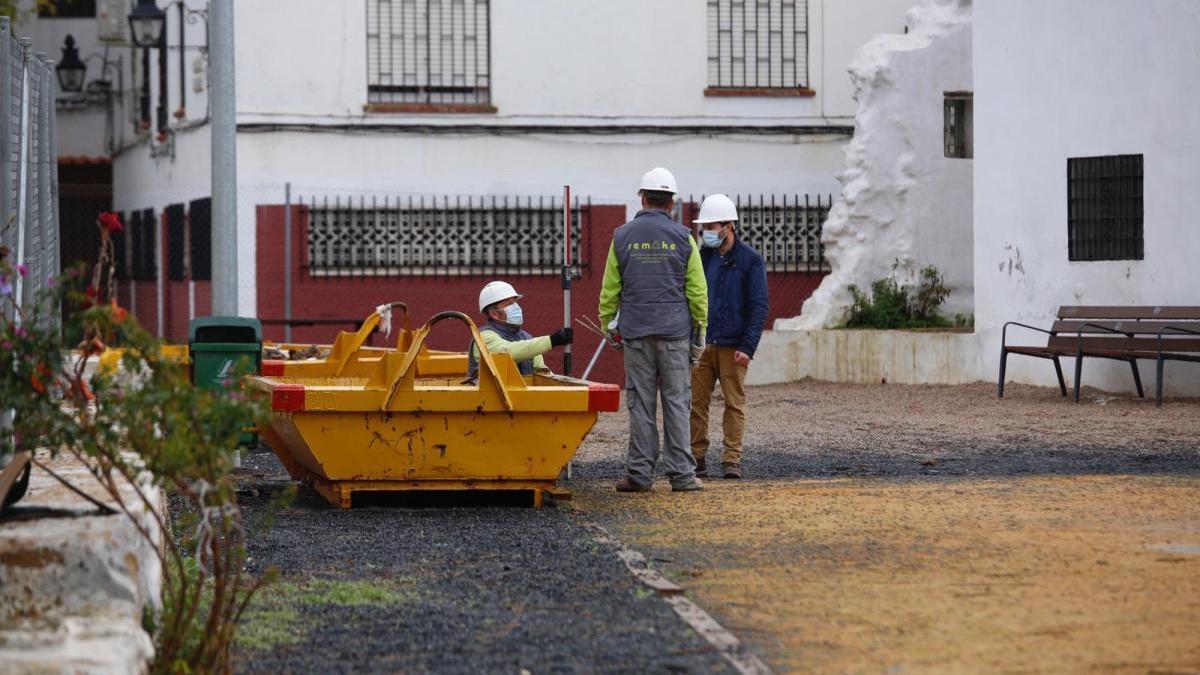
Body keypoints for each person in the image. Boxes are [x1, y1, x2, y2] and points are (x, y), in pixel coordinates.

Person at [599, 167, 709, 493]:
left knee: (641, 403)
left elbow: (609, 289)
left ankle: (639, 475)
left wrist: (609, 326)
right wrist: (700, 332)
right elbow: (697, 292)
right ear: (672, 202)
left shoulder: (621, 236)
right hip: (676, 334)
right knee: (677, 402)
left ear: (642, 197)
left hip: (635, 334)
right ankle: (683, 477)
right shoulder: (684, 238)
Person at [689, 194, 769, 479]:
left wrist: (748, 346)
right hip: (704, 343)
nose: (707, 233)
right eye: (705, 228)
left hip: (734, 345)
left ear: (728, 226)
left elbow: (759, 306)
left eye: (711, 226)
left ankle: (731, 459)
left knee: (734, 403)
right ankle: (696, 457)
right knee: (697, 403)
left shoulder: (751, 261)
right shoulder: (702, 257)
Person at [466, 281, 573, 381]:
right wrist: (552, 341)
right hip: (487, 399)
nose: (516, 307)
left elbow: (542, 372)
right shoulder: (483, 337)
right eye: (509, 304)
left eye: (515, 302)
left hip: (522, 398)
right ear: (494, 314)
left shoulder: (527, 338)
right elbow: (508, 352)